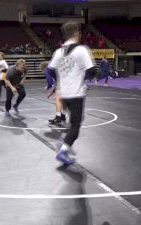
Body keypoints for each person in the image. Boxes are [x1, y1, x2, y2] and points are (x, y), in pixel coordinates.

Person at [48, 22, 95, 165]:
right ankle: (63, 150)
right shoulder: (81, 50)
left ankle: (63, 142)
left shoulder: (58, 52)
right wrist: (85, 80)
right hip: (76, 94)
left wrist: (61, 81)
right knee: (76, 126)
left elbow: (50, 70)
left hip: (64, 94)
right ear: (77, 34)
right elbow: (91, 71)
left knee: (75, 120)